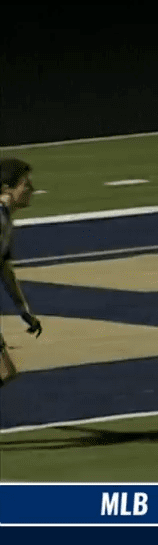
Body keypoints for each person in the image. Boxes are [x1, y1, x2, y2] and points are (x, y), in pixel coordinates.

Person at [0, 158, 44, 389]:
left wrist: (23, 310)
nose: (32, 190)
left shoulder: (6, 221)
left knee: (6, 372)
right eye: (25, 184)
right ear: (7, 188)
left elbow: (5, 270)